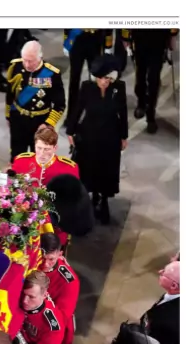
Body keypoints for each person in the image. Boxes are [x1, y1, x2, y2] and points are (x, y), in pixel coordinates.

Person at [66, 54, 128, 225]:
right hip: (89, 134)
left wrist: (124, 136)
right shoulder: (87, 87)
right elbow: (77, 109)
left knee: (107, 169)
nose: (104, 82)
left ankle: (105, 200)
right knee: (90, 167)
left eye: (107, 79)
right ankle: (93, 197)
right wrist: (70, 131)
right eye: (101, 78)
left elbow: (122, 113)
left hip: (111, 134)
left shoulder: (119, 88)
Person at [6, 41, 65, 161]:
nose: (27, 64)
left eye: (31, 61)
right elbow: (10, 94)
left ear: (40, 57)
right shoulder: (15, 66)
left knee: (39, 157)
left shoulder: (51, 74)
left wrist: (48, 124)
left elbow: (60, 104)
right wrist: (8, 116)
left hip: (40, 122)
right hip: (18, 118)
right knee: (17, 155)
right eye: (25, 60)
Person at [122, 29, 179, 133]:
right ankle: (141, 103)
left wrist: (173, 35)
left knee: (154, 79)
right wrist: (125, 37)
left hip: (159, 41)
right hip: (139, 39)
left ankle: (151, 114)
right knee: (140, 75)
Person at [63, 29, 113, 126]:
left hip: (95, 39)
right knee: (74, 80)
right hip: (76, 40)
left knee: (96, 80)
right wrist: (66, 39)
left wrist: (108, 43)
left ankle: (94, 115)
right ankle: (71, 116)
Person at [12, 124, 79, 185]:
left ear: (55, 148)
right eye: (39, 148)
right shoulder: (20, 161)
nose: (42, 153)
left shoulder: (69, 169)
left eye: (46, 149)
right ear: (34, 146)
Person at [140, 261, 180, 344]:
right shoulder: (172, 294)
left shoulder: (172, 318)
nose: (160, 271)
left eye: (164, 273)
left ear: (174, 286)